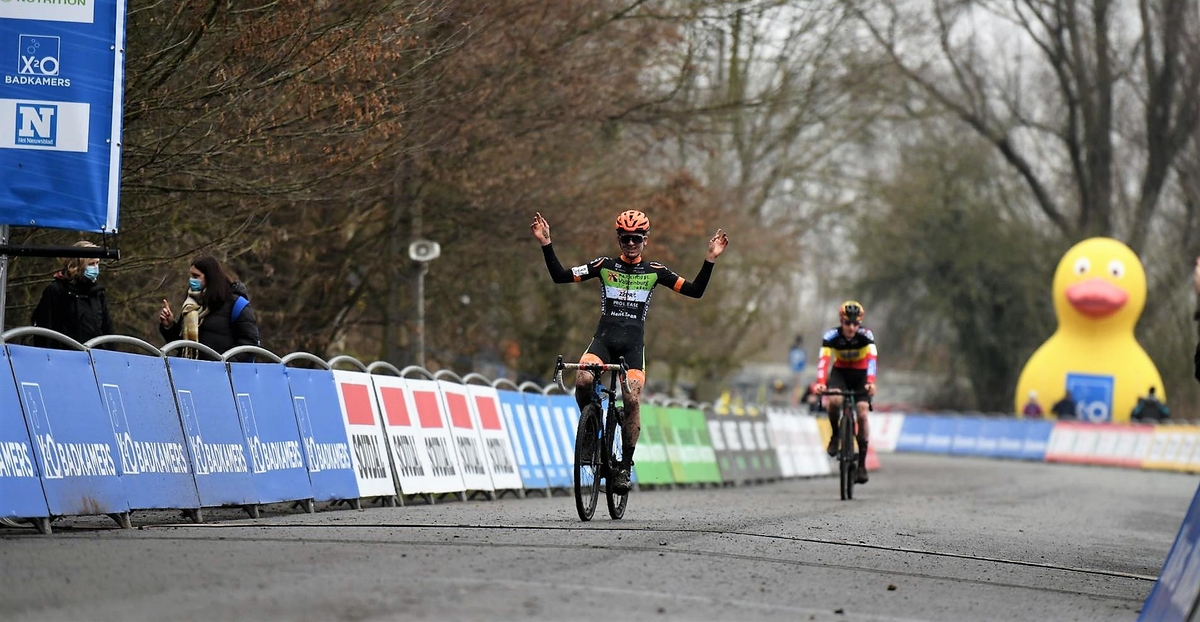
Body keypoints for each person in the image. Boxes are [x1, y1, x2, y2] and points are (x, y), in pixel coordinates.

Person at [531, 210, 728, 493]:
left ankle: (624, 466)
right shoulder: (603, 265)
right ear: (618, 238)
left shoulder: (655, 272)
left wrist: (710, 258)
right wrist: (546, 244)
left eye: (636, 238)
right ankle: (589, 432)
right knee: (584, 380)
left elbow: (695, 291)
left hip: (632, 348)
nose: (631, 243)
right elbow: (561, 277)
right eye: (625, 238)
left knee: (632, 399)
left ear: (645, 240)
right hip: (603, 341)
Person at [813, 301, 877, 484]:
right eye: (847, 323)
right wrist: (820, 383)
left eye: (855, 323)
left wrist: (871, 382)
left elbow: (872, 359)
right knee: (833, 400)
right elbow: (823, 360)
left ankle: (862, 465)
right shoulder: (831, 336)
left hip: (861, 375)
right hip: (840, 373)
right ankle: (835, 435)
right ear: (841, 321)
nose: (851, 327)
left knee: (863, 413)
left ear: (860, 323)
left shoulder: (866, 336)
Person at [159, 255, 260, 360]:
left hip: (220, 373)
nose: (191, 280)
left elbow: (249, 344)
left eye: (196, 276)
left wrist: (225, 365)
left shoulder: (236, 305)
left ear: (209, 277)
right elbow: (183, 344)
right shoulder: (191, 304)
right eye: (191, 275)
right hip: (189, 371)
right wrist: (169, 326)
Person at [31, 241, 114, 348]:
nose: (95, 267)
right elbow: (45, 328)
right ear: (78, 265)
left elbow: (106, 329)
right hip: (64, 357)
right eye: (91, 264)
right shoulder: (57, 290)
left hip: (94, 358)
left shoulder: (97, 293)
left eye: (97, 263)